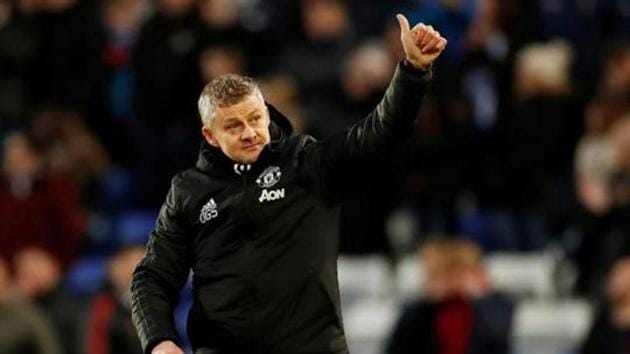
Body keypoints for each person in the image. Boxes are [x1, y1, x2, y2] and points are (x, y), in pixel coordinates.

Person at [131, 14, 447, 354]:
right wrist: (160, 341)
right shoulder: (189, 191)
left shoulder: (306, 162)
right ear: (210, 135)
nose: (250, 132)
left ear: (267, 114)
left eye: (255, 118)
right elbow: (152, 278)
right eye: (234, 126)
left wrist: (413, 71)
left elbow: (380, 134)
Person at [386, 238, 513, 354]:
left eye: (439, 274)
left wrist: (480, 293)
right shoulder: (416, 314)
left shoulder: (492, 308)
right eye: (431, 275)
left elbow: (499, 336)